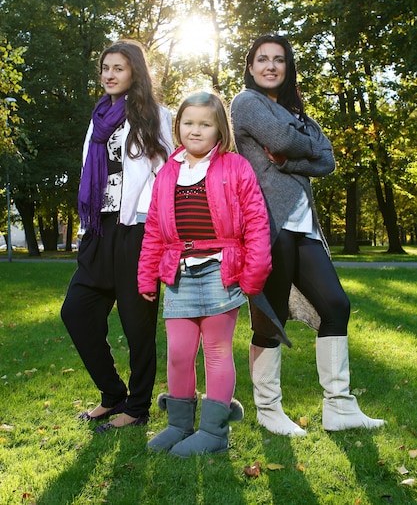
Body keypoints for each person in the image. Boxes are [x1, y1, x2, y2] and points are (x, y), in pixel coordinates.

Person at [231, 34, 385, 436]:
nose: (270, 66)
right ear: (250, 67)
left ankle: (339, 407)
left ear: (287, 67)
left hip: (305, 227)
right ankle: (268, 408)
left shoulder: (295, 109)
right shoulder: (246, 103)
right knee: (272, 314)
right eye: (262, 59)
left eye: (278, 60)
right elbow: (284, 140)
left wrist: (287, 158)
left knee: (336, 304)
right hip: (270, 223)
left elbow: (327, 159)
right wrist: (300, 147)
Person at [138, 91, 272, 457]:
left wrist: (254, 273)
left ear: (219, 130)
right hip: (178, 273)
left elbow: (257, 222)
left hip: (221, 270)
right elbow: (154, 229)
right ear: (178, 126)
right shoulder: (167, 172)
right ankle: (179, 425)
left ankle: (214, 432)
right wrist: (147, 276)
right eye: (188, 123)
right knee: (179, 353)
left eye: (205, 124)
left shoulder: (235, 167)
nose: (195, 130)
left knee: (216, 351)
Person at [61, 39, 173, 433]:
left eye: (118, 68)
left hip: (135, 232)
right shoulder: (98, 117)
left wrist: (146, 223)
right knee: (75, 311)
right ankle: (113, 395)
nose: (109, 75)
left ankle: (138, 406)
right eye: (105, 68)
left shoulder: (156, 115)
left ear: (135, 72)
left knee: (137, 325)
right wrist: (83, 229)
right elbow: (88, 175)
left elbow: (166, 176)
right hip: (98, 230)